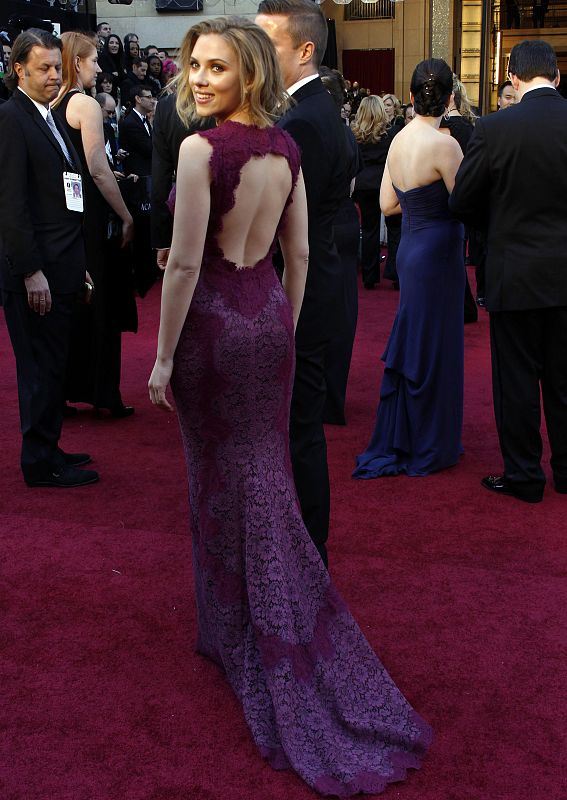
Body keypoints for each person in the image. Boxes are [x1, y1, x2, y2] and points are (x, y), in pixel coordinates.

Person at [148, 17, 431, 796]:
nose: (200, 80)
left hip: (210, 323)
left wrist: (165, 356)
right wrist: (281, 326)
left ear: (248, 74)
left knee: (220, 482)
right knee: (262, 475)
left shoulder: (200, 150)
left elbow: (182, 270)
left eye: (216, 67)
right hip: (268, 317)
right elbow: (299, 254)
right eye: (193, 65)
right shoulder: (285, 149)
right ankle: (245, 621)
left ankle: (239, 628)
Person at [450, 39, 567, 503]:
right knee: (564, 380)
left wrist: (496, 226)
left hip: (513, 271)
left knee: (516, 380)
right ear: (556, 77)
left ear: (513, 80)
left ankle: (524, 475)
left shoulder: (495, 128)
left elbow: (463, 200)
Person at [256, 0, 349, 567]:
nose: (257, 54)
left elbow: (287, 231)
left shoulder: (302, 123)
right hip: (315, 286)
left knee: (298, 430)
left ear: (305, 50)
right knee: (298, 426)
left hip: (302, 294)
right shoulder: (317, 110)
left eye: (269, 42)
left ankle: (308, 550)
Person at [353, 58, 465, 479]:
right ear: (450, 98)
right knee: (436, 345)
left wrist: (419, 202)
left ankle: (409, 433)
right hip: (438, 252)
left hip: (411, 250)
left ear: (412, 97)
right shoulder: (446, 145)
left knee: (416, 342)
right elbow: (464, 204)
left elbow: (387, 205)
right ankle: (431, 440)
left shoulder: (398, 139)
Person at [0, 28, 98, 487]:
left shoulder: (48, 116)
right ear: (18, 69)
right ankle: (38, 462)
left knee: (55, 363)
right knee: (39, 368)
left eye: (58, 67)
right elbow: (11, 205)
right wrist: (31, 270)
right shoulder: (10, 119)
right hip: (35, 272)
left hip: (61, 264)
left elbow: (64, 193)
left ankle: (50, 446)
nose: (54, 76)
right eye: (44, 68)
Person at [52, 31, 135, 417]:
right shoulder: (83, 103)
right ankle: (104, 393)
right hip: (90, 216)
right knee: (100, 299)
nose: (99, 67)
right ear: (76, 62)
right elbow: (98, 169)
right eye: (93, 60)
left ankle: (69, 388)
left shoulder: (48, 103)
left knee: (74, 300)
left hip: (64, 217)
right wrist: (125, 213)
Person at [351, 95, 397, 290]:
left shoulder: (354, 134)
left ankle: (369, 276)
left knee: (369, 229)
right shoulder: (389, 133)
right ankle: (395, 274)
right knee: (394, 229)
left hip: (363, 184)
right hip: (384, 184)